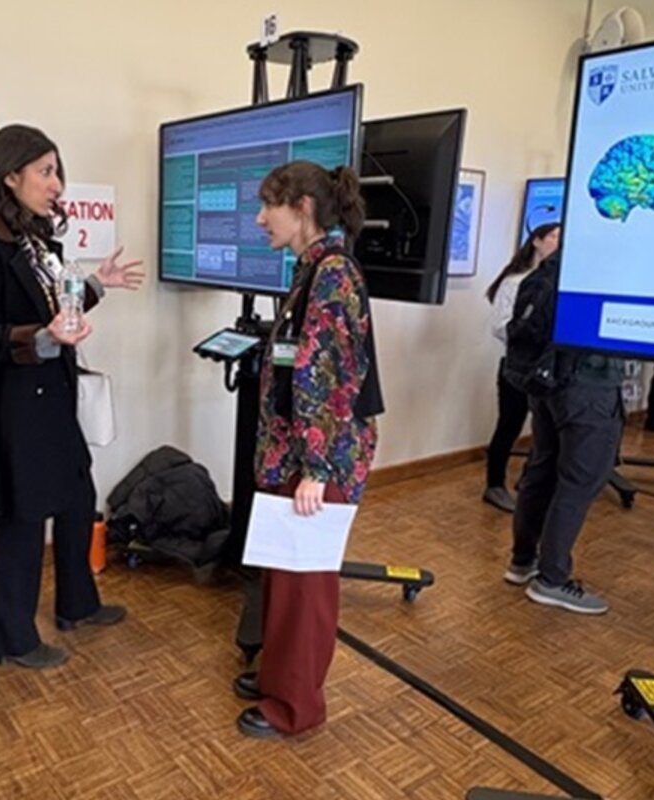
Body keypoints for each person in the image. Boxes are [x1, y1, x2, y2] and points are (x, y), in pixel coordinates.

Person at [0, 124, 143, 669]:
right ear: (11, 176)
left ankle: (76, 604)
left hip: (51, 397)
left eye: (57, 171)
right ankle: (12, 640)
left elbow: (56, 315)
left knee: (76, 494)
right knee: (23, 517)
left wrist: (97, 284)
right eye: (46, 172)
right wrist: (42, 338)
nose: (57, 184)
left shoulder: (35, 240)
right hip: (13, 407)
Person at [233, 161, 383, 739]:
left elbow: (330, 375)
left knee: (306, 589)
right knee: (283, 577)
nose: (259, 217)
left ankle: (296, 707)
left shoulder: (334, 275)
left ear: (303, 208)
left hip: (316, 462)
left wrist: (317, 470)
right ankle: (277, 677)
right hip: (294, 454)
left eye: (269, 204)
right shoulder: (312, 269)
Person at [501, 251, 623, 615]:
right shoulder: (608, 267)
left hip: (548, 385)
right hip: (590, 388)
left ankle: (523, 561)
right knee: (580, 481)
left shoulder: (554, 266)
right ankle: (552, 580)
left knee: (541, 470)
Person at [482, 223, 561, 513]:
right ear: (537, 241)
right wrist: (527, 339)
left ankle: (530, 481)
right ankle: (494, 485)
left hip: (547, 368)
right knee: (509, 426)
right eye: (553, 237)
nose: (558, 242)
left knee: (543, 430)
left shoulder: (556, 280)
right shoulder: (515, 281)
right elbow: (501, 326)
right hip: (517, 368)